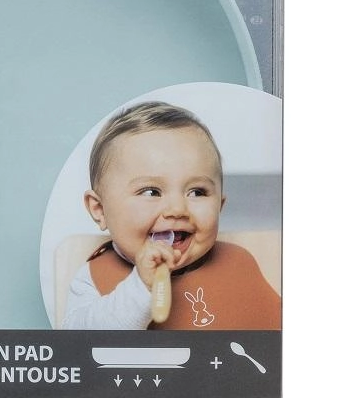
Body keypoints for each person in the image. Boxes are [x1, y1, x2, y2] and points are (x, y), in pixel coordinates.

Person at [61, 101, 281, 330]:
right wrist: (140, 287)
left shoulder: (239, 264)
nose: (177, 209)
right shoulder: (92, 277)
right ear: (99, 210)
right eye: (151, 192)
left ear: (219, 206)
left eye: (197, 192)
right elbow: (79, 342)